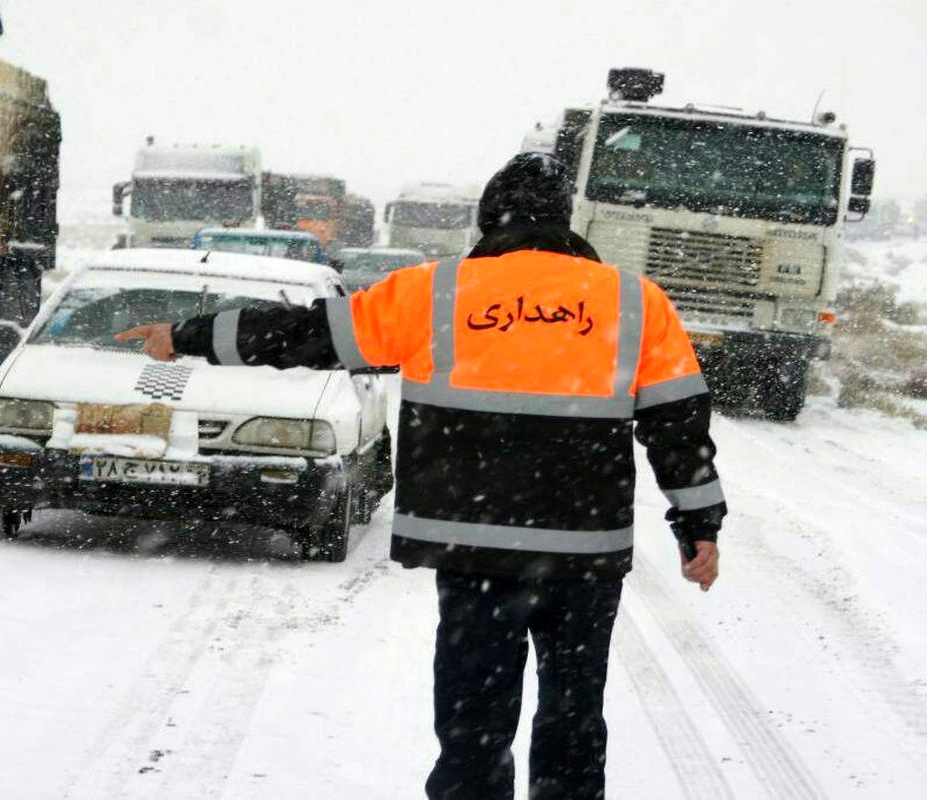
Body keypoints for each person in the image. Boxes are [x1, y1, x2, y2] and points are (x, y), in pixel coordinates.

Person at [117, 152, 726, 800]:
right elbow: (678, 425)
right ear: (565, 221)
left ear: (490, 219)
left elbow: (308, 334)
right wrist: (699, 527)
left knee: (473, 729)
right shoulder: (635, 302)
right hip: (582, 555)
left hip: (473, 548)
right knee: (574, 723)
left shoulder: (435, 293)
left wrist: (189, 334)